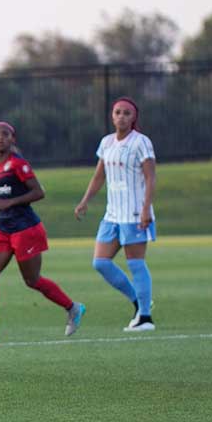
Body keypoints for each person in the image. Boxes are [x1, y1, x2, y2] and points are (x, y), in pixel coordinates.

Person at [0, 122, 86, 345]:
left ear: (13, 139)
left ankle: (73, 307)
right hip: (3, 229)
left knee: (32, 280)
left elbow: (39, 192)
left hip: (25, 229)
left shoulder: (19, 165)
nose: (0, 138)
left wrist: (12, 202)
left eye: (5, 134)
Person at [75, 97, 158, 331]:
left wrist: (145, 209)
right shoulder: (107, 142)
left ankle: (145, 318)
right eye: (118, 112)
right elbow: (99, 176)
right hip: (112, 214)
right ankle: (139, 302)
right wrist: (84, 201)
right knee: (100, 262)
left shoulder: (141, 143)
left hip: (133, 213)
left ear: (134, 118)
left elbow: (151, 177)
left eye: (127, 113)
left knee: (136, 263)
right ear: (112, 116)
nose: (121, 116)